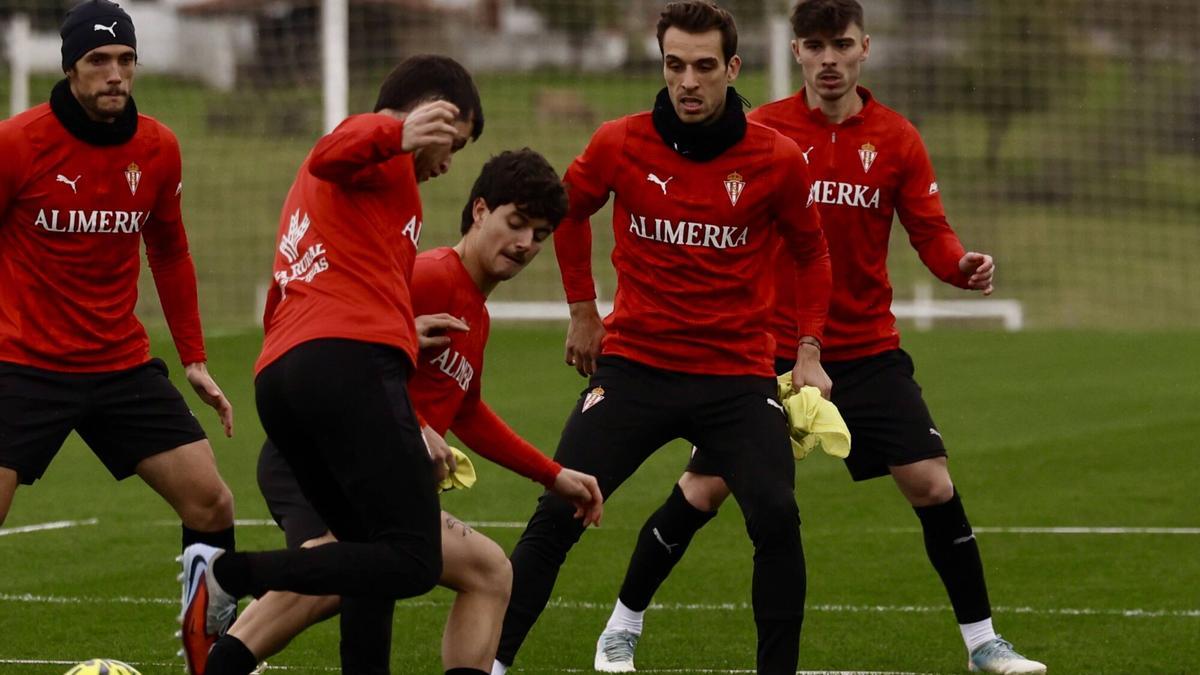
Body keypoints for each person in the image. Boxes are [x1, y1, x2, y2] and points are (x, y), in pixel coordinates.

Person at [590, 1, 1046, 674]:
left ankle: (984, 642)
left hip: (865, 349)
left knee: (931, 481)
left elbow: (930, 230)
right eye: (814, 45)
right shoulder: (760, 130)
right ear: (796, 51)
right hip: (766, 349)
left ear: (865, 48)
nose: (828, 58)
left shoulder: (897, 139)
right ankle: (621, 625)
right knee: (704, 489)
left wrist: (959, 265)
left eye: (841, 44)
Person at [491, 3, 832, 674]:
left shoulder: (776, 158)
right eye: (675, 65)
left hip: (736, 377)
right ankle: (492, 663)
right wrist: (583, 309)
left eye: (705, 67)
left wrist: (809, 351)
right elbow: (568, 209)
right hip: (635, 368)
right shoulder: (620, 141)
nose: (689, 82)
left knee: (776, 516)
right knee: (558, 511)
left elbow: (811, 252)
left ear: (732, 69)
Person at [202, 148, 604, 675]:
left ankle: (220, 627)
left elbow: (470, 413)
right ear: (480, 210)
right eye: (516, 223)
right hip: (316, 457)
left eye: (540, 234)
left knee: (482, 572)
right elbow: (337, 349)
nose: (526, 243)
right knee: (348, 573)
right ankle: (220, 594)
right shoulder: (430, 275)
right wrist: (413, 421)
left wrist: (554, 476)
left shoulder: (475, 315)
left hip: (373, 468)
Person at [176, 55, 488, 675]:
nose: (449, 162)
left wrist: (402, 330)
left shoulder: (375, 196)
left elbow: (305, 289)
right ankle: (228, 572)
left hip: (289, 373)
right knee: (414, 560)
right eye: (451, 142)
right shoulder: (373, 150)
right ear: (423, 115)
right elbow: (331, 148)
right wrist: (396, 132)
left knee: (364, 556)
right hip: (345, 366)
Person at [0, 0, 236, 641]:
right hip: (23, 365)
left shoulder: (158, 147)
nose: (115, 74)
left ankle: (209, 648)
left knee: (212, 502)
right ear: (70, 68)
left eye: (126, 60)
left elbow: (169, 248)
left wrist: (193, 356)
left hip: (117, 364)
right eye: (98, 60)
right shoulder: (17, 144)